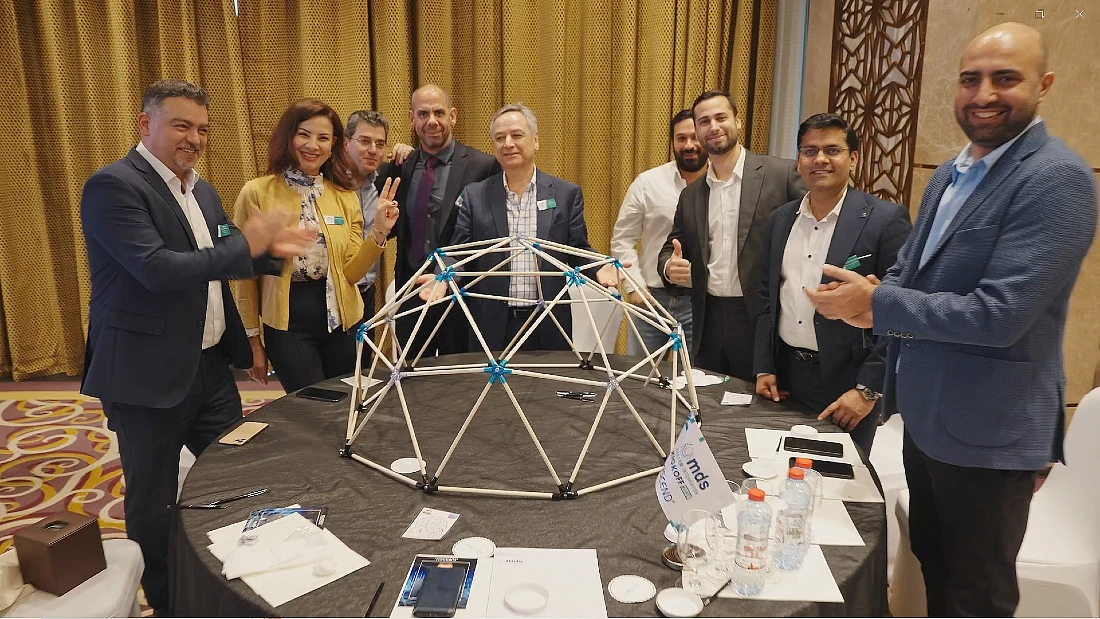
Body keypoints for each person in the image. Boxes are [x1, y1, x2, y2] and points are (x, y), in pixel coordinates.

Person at [805, 23, 1097, 616]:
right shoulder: (951, 172)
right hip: (928, 419)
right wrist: (867, 299)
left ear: (1043, 85)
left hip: (991, 432)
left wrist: (876, 304)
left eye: (1004, 78)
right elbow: (908, 277)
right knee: (935, 567)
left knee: (976, 597)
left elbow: (1001, 315)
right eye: (970, 79)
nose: (983, 93)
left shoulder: (1056, 178)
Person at [79, 79, 315, 614]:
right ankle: (168, 603)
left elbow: (228, 253)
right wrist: (247, 246)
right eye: (181, 125)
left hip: (210, 371)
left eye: (202, 128)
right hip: (146, 378)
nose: (194, 138)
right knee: (155, 504)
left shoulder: (202, 191)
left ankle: (235, 584)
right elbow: (158, 270)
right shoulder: (114, 186)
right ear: (146, 124)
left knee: (241, 474)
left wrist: (269, 249)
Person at [753, 113, 911, 454]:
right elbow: (768, 297)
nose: (819, 159)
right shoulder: (781, 220)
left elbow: (900, 312)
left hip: (847, 384)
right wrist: (764, 365)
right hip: (787, 378)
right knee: (783, 475)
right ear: (798, 160)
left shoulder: (885, 220)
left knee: (839, 484)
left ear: (853, 158)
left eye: (832, 150)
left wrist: (869, 389)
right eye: (809, 151)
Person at [427, 103, 623, 352]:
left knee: (546, 391)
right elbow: (460, 252)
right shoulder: (475, 196)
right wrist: (442, 276)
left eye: (516, 135)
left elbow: (576, 248)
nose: (508, 143)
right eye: (500, 138)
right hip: (491, 326)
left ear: (535, 140)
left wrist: (598, 268)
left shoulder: (565, 194)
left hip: (549, 324)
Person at [235, 99, 399, 394]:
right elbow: (245, 274)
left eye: (323, 138)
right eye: (304, 134)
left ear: (334, 143)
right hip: (288, 322)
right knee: (311, 407)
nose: (313, 145)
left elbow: (350, 273)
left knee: (348, 405)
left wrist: (378, 232)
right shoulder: (256, 192)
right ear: (288, 136)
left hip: (343, 321)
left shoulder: (345, 196)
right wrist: (252, 340)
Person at [657, 90, 806, 381]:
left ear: (738, 121)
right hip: (708, 320)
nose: (712, 127)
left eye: (720, 117)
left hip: (761, 320)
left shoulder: (781, 175)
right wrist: (667, 266)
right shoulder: (691, 195)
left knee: (759, 413)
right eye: (703, 121)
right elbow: (671, 246)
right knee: (709, 407)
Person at [390, 85, 500, 358]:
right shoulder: (399, 166)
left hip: (462, 295)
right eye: (423, 113)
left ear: (453, 116)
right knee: (413, 382)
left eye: (439, 112)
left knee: (461, 384)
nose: (432, 121)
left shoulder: (483, 166)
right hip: (412, 294)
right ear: (411, 119)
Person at [610, 109, 707, 359]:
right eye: (681, 138)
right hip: (651, 301)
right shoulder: (648, 183)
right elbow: (622, 238)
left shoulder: (723, 185)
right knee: (640, 381)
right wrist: (634, 286)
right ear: (672, 142)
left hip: (703, 303)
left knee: (697, 382)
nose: (689, 145)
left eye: (695, 137)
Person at [342, 110, 410, 349]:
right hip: (332, 295)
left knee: (357, 373)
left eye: (379, 144)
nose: (373, 149)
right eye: (364, 141)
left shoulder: (386, 181)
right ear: (345, 142)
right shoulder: (326, 180)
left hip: (365, 294)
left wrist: (412, 155)